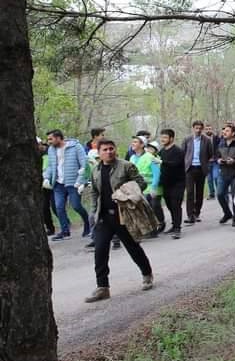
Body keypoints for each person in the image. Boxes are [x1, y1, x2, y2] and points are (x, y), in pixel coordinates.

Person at [83, 139, 155, 303]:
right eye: (105, 149)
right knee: (100, 250)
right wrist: (94, 211)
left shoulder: (126, 166)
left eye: (111, 149)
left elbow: (141, 183)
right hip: (104, 216)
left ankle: (147, 274)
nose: (108, 152)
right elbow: (94, 192)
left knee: (132, 246)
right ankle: (102, 287)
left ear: (115, 150)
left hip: (123, 214)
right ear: (99, 153)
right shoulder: (95, 170)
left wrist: (125, 192)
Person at [44, 129, 91, 240]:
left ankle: (88, 224)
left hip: (73, 182)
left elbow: (84, 164)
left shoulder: (75, 147)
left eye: (51, 139)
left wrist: (80, 181)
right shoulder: (51, 149)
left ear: (58, 137)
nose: (49, 141)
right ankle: (65, 231)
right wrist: (47, 177)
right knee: (58, 207)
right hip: (58, 183)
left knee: (76, 206)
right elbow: (51, 166)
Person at [130, 136, 163, 236]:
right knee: (140, 209)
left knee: (152, 207)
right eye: (133, 142)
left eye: (135, 142)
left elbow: (157, 173)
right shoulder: (132, 158)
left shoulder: (150, 157)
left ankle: (158, 225)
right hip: (137, 188)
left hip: (150, 187)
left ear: (142, 145)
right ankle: (148, 229)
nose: (133, 143)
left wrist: (153, 188)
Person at [182, 120, 213, 223]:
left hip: (201, 168)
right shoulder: (187, 139)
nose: (198, 130)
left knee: (199, 193)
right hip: (189, 168)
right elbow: (183, 153)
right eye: (196, 128)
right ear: (193, 128)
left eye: (200, 128)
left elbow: (210, 154)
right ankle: (190, 215)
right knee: (190, 192)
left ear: (202, 129)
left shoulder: (207, 140)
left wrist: (205, 163)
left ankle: (197, 213)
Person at [157, 128, 186, 238]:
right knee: (169, 205)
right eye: (162, 137)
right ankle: (174, 225)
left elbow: (175, 164)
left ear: (171, 138)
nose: (162, 139)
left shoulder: (178, 151)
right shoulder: (161, 151)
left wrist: (162, 162)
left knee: (176, 205)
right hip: (165, 183)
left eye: (165, 137)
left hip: (178, 182)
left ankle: (177, 229)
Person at [216, 123, 235, 226]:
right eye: (224, 131)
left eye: (227, 131)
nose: (224, 132)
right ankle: (227, 213)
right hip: (223, 172)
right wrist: (218, 160)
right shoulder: (221, 144)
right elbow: (217, 156)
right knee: (219, 194)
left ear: (233, 133)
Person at [38, 137, 57, 236]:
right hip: (43, 184)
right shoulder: (33, 155)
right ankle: (50, 227)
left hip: (53, 182)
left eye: (38, 145)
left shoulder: (51, 151)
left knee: (56, 206)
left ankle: (65, 223)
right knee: (44, 207)